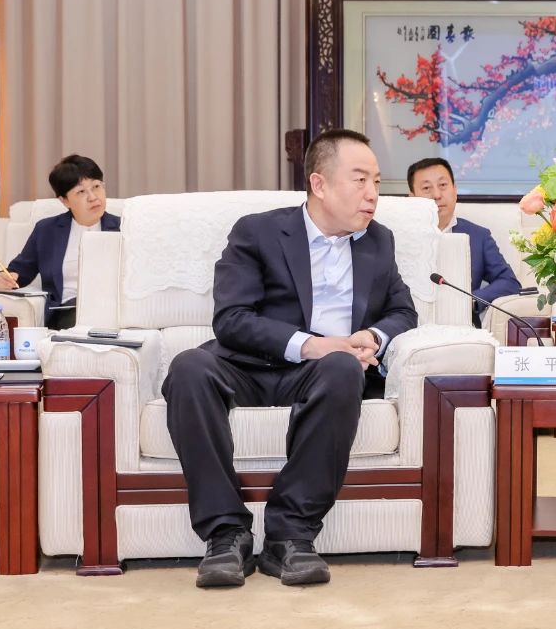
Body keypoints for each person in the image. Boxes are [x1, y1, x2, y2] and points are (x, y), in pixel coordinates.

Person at [162, 129, 417, 589]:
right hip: (248, 364)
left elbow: (403, 312)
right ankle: (226, 534)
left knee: (343, 368)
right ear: (319, 184)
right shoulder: (258, 231)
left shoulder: (379, 241)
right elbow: (232, 319)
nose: (373, 195)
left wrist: (371, 336)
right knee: (188, 368)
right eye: (360, 180)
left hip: (325, 374)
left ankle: (290, 536)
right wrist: (312, 344)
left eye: (377, 182)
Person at [0, 155, 121, 329]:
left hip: (117, 311)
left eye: (96, 187)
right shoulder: (47, 231)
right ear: (64, 200)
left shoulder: (125, 227)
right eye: (81, 192)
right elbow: (19, 272)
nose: (93, 197)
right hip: (70, 312)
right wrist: (3, 279)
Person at [406, 157, 520, 324]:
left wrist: (473, 299)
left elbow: (509, 282)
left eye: (442, 185)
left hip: (461, 326)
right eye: (426, 188)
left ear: (455, 190)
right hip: (411, 326)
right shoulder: (398, 237)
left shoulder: (478, 236)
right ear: (412, 197)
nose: (437, 195)